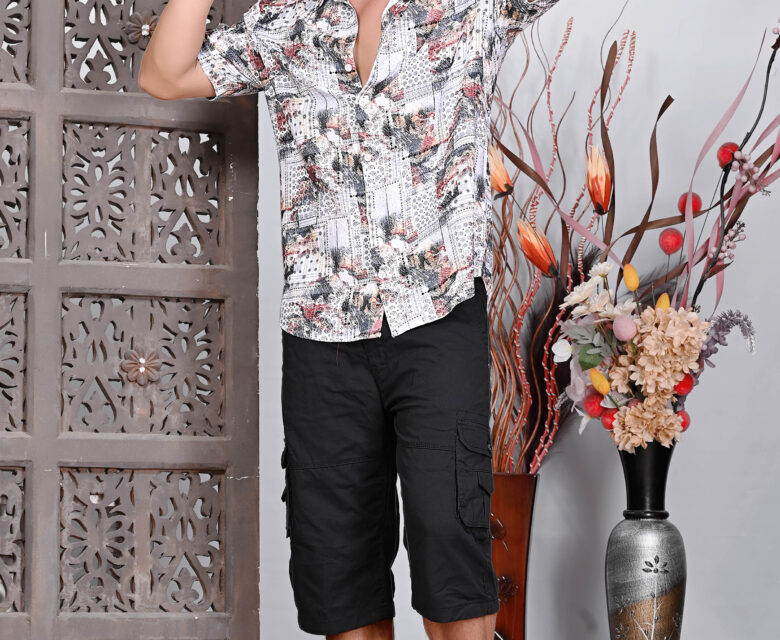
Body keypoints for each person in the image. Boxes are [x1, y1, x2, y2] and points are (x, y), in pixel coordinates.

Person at [139, 0, 560, 637]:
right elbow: (164, 75)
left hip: (437, 316)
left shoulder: (471, 8)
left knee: (449, 540)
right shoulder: (288, 19)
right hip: (322, 332)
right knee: (338, 566)